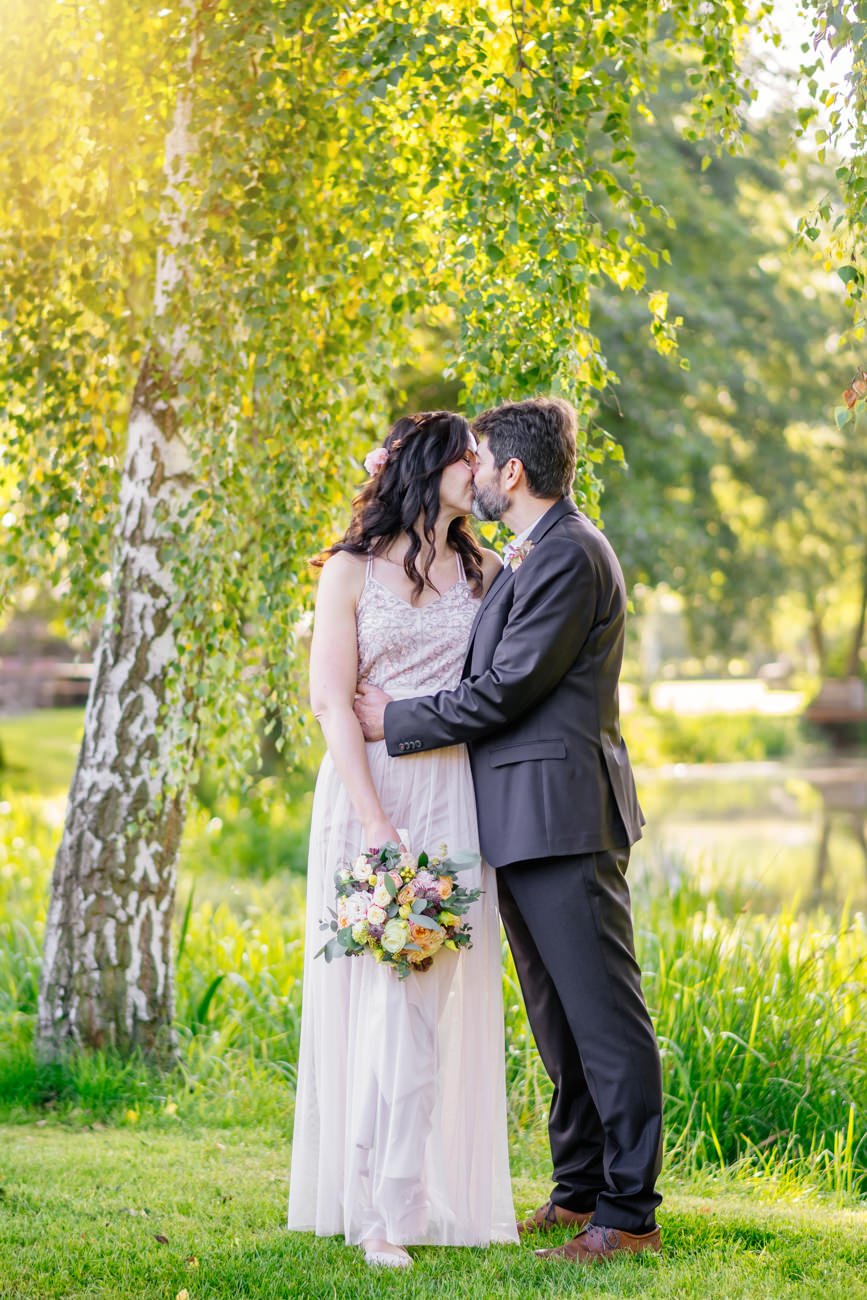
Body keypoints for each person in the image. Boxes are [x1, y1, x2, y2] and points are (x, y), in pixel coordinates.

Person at [355, 396, 664, 1266]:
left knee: (604, 1017)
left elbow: (507, 687)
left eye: (482, 458)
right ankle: (577, 1192)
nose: (477, 471)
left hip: (565, 819)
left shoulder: (569, 554)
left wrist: (397, 720)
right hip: (521, 823)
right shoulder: (530, 553)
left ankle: (629, 1209)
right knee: (557, 1020)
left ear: (512, 474)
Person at [287, 411, 518, 1268]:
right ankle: (374, 1208)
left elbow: (500, 685)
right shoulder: (347, 573)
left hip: (450, 793)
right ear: (433, 467)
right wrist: (376, 825)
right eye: (469, 458)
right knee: (382, 1001)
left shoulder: (486, 570)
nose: (482, 472)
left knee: (424, 1005)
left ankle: (401, 1197)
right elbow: (328, 703)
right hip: (367, 797)